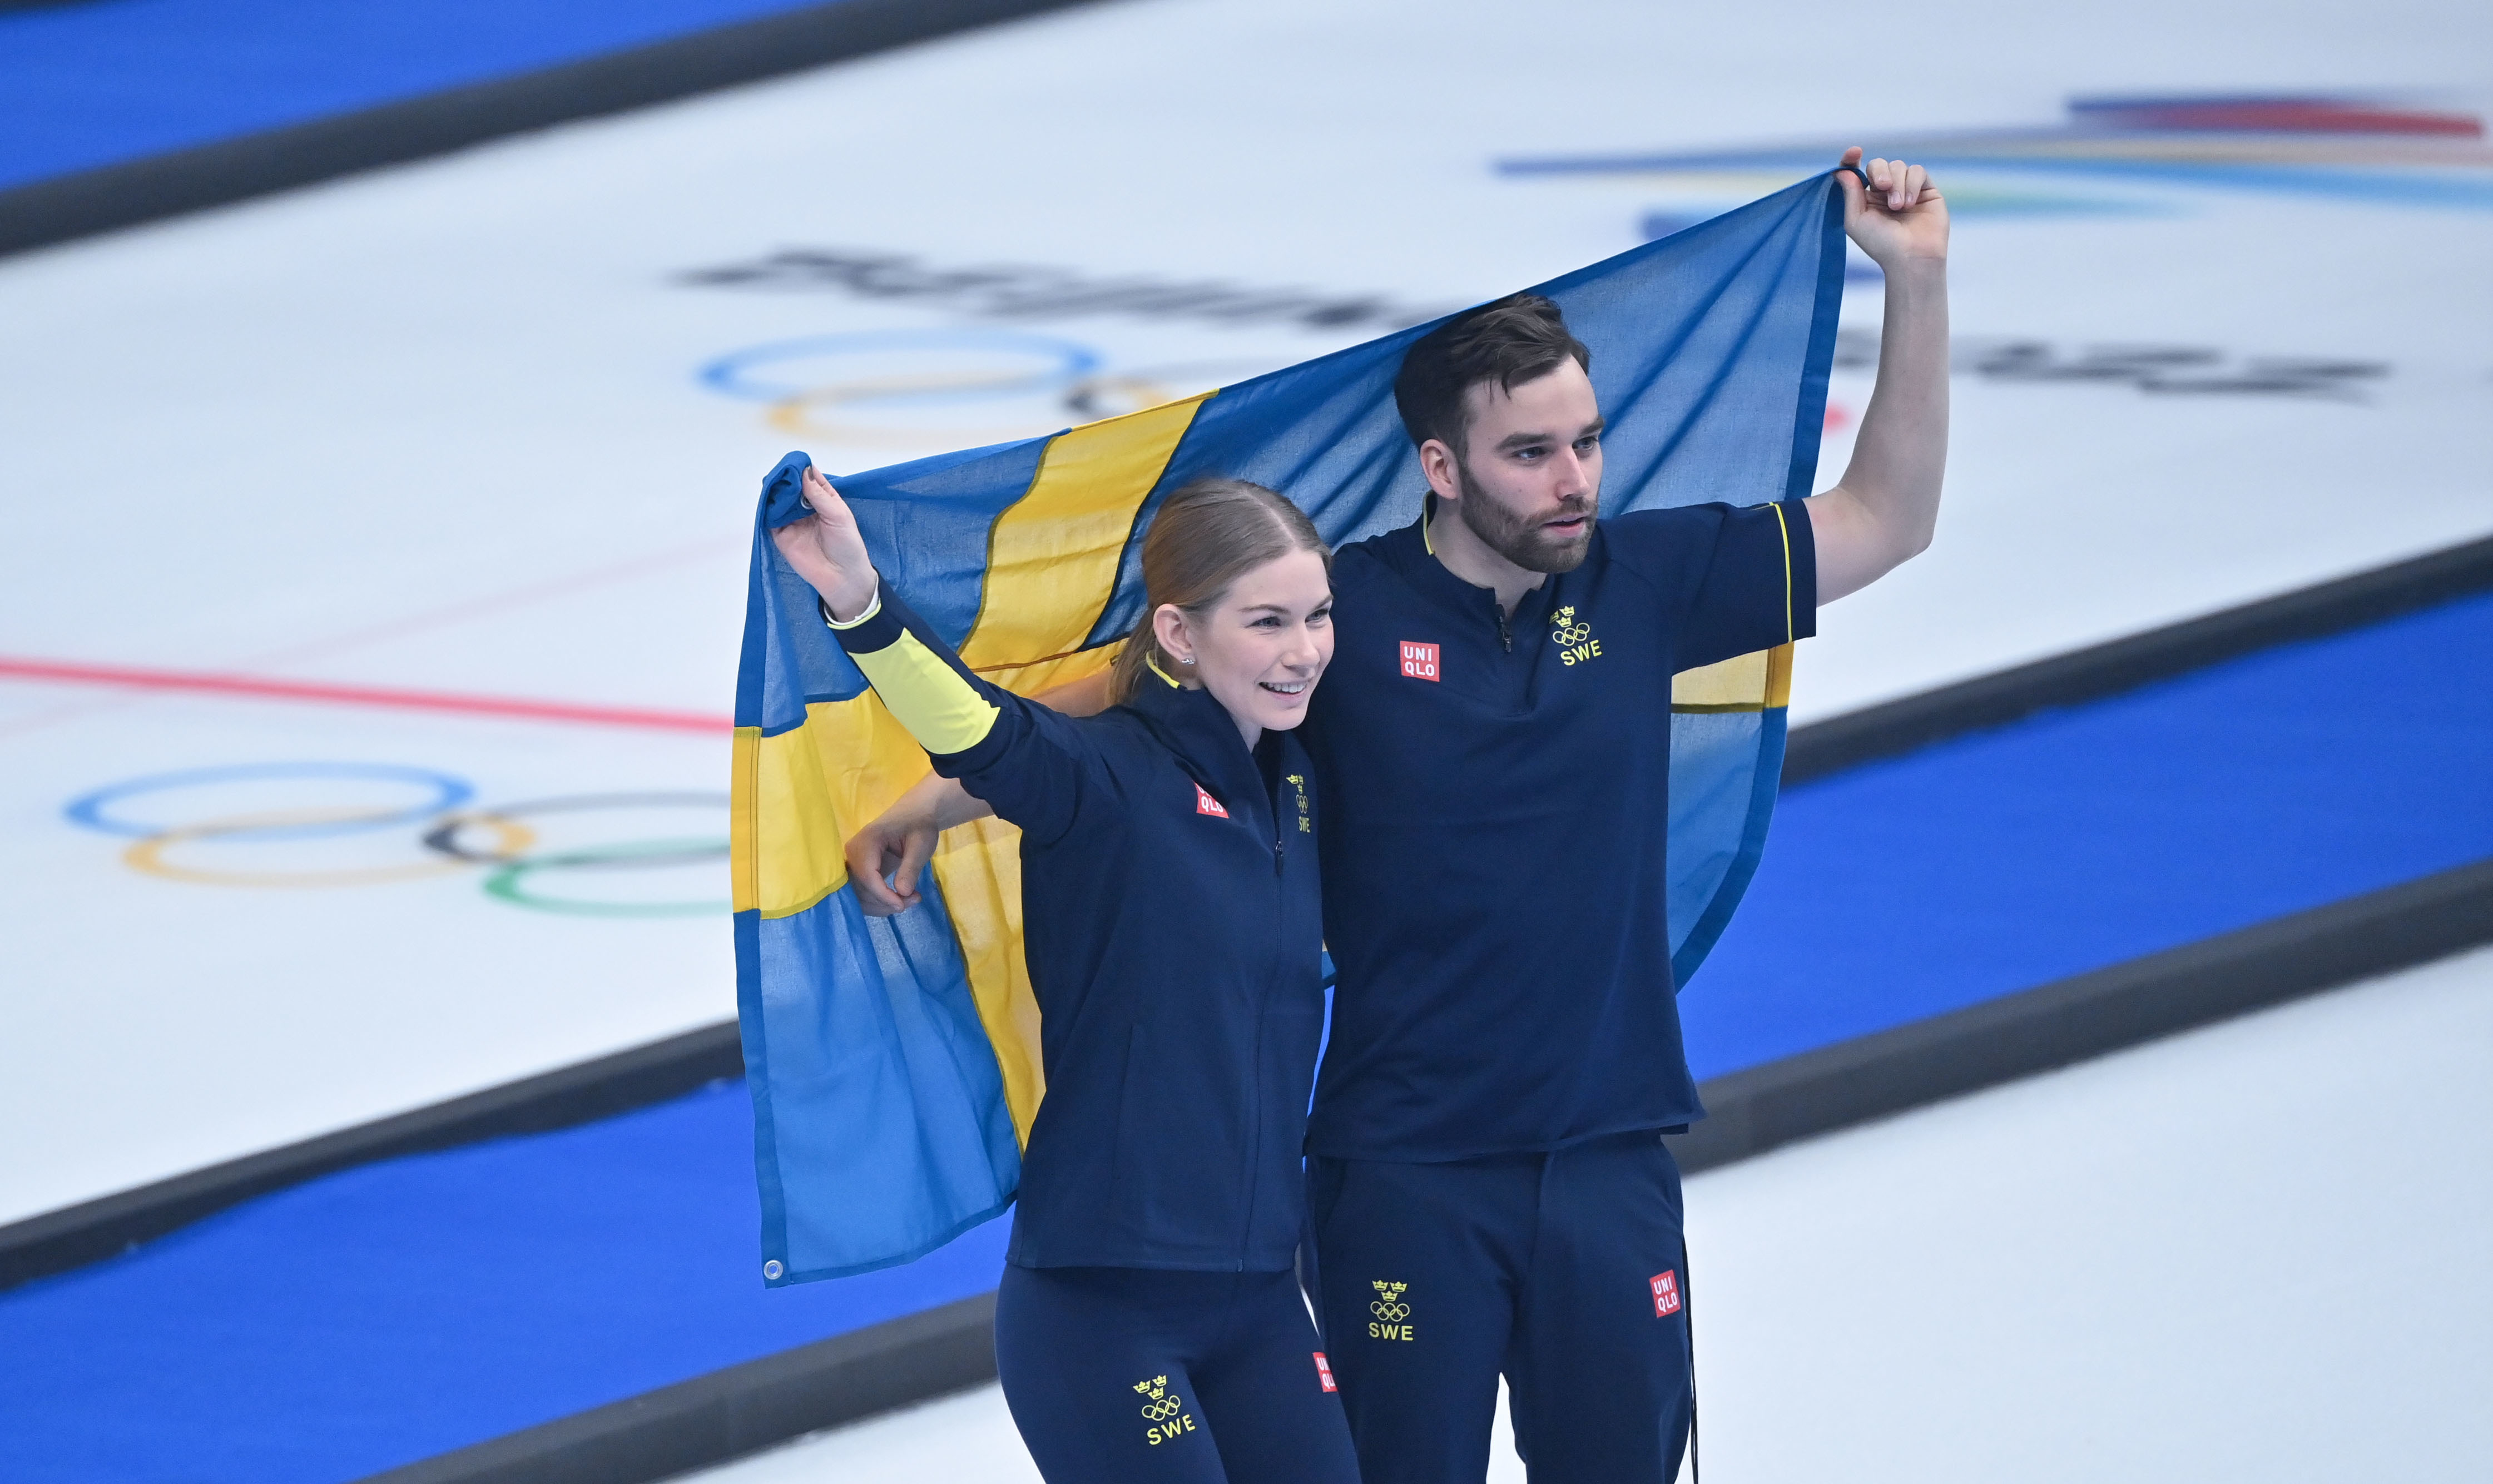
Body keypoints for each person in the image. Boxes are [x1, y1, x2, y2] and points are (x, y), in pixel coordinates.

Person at [845, 148, 1950, 1483]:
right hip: (1400, 1173)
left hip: (1608, 1156)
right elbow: (1130, 688)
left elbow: (1888, 519)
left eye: (1586, 443)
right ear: (1440, 463)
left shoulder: (1648, 580)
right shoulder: (1337, 615)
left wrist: (1918, 281)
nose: (1572, 481)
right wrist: (934, 797)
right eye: (1530, 453)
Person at [770, 468, 1361, 1484]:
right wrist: (862, 608)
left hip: (1264, 1294)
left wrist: (921, 810)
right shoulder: (1104, 782)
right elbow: (986, 732)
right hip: (1104, 1309)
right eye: (1267, 621)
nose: (1303, 650)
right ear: (1179, 634)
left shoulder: (1295, 778)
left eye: (1318, 615)